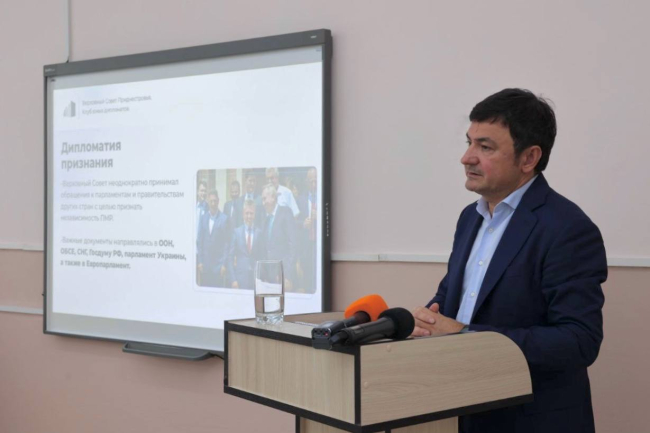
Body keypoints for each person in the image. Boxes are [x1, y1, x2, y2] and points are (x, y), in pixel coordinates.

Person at [411, 89, 607, 433]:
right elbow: (454, 298)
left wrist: (465, 334)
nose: (466, 158)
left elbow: (578, 341)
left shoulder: (567, 228)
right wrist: (424, 321)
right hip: (465, 411)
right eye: (469, 142)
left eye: (485, 147)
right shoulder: (469, 218)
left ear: (529, 158)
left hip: (532, 420)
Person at [261, 183, 296, 291]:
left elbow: (293, 245)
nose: (263, 203)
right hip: (269, 276)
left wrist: (287, 274)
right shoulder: (266, 220)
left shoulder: (285, 212)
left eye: (264, 199)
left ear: (273, 197)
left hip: (283, 274)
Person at [227, 199, 265, 290]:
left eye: (251, 213)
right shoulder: (237, 232)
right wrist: (233, 280)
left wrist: (262, 278)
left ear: (255, 214)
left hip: (255, 279)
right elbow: (230, 257)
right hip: (240, 279)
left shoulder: (259, 233)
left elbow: (262, 258)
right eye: (247, 213)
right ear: (243, 214)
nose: (249, 216)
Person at [197, 190, 231, 287]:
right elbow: (200, 241)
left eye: (215, 201)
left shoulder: (224, 219)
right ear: (208, 201)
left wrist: (224, 264)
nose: (213, 204)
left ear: (218, 201)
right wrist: (200, 261)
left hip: (218, 267)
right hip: (205, 266)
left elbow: (226, 244)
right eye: (211, 201)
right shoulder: (203, 218)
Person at [296, 168, 318, 292]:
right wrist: (303, 224)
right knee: (307, 276)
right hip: (305, 245)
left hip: (318, 244)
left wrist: (319, 217)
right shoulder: (300, 199)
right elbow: (294, 222)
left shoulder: (323, 198)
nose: (314, 185)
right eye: (311, 182)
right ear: (306, 181)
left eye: (316, 181)